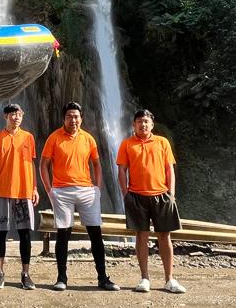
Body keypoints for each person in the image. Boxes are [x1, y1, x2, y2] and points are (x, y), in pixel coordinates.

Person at [40, 102, 119, 292]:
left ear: (81, 118)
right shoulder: (54, 138)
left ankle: (102, 278)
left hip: (86, 191)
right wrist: (50, 191)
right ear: (64, 118)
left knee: (95, 234)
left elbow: (97, 164)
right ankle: (61, 278)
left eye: (76, 116)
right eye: (69, 116)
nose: (73, 120)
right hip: (62, 191)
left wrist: (97, 189)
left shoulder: (89, 139)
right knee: (63, 234)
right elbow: (43, 165)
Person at [117, 109, 185, 294]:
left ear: (152, 125)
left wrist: (171, 194)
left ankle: (169, 279)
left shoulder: (162, 142)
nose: (143, 124)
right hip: (136, 196)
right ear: (134, 125)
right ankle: (144, 278)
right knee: (142, 236)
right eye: (139, 121)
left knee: (165, 235)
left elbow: (169, 169)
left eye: (146, 121)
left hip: (161, 194)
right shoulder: (126, 144)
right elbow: (122, 170)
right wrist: (125, 194)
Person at [0, 103, 40, 290]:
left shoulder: (29, 138)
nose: (16, 117)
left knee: (25, 233)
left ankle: (25, 274)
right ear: (5, 117)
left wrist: (34, 188)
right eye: (12, 114)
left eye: (19, 114)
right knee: (1, 232)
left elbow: (32, 164)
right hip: (1, 191)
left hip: (24, 192)